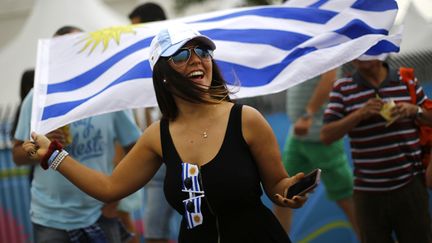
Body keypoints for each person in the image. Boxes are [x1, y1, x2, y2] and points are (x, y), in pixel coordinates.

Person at [23, 24, 309, 243]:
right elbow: (109, 188)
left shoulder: (246, 119)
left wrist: (287, 190)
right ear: (163, 74)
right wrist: (53, 154)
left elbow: (276, 185)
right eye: (182, 54)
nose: (197, 59)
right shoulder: (157, 136)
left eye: (203, 51)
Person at [12, 25, 142, 243]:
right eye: (65, 50)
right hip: (49, 217)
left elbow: (136, 148)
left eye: (79, 48)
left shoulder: (107, 95)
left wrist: (116, 197)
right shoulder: (38, 97)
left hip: (101, 212)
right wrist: (39, 147)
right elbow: (17, 155)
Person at [321, 57, 432, 243]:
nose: (361, 56)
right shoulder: (342, 88)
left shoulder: (406, 80)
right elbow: (326, 135)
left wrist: (415, 111)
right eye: (358, 50)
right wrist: (359, 114)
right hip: (368, 192)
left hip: (410, 184)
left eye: (368, 49)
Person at [274, 69, 359, 237]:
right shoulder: (304, 46)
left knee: (346, 196)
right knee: (284, 196)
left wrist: (308, 114)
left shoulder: (325, 45)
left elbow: (330, 77)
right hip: (297, 136)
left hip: (322, 135)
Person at [128, 3, 178, 243]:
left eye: (137, 28)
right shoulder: (139, 65)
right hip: (154, 157)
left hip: (178, 152)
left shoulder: (176, 61)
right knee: (154, 231)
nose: (134, 34)